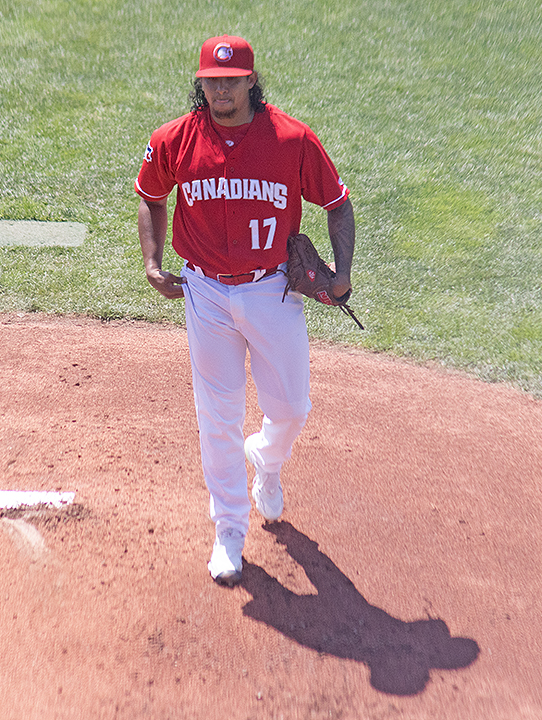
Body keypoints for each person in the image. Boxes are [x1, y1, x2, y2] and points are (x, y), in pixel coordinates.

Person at [135, 34, 355, 586]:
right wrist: (153, 261)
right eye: (212, 80)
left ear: (252, 81)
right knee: (218, 415)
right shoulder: (174, 140)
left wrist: (344, 270)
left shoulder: (291, 138)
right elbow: (150, 195)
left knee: (293, 408)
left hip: (270, 289)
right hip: (204, 291)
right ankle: (229, 530)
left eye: (232, 81)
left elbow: (336, 203)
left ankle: (268, 460)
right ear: (200, 82)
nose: (221, 90)